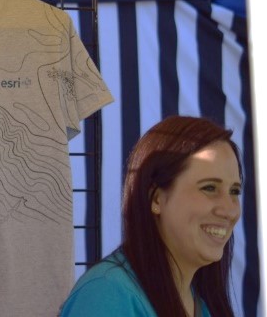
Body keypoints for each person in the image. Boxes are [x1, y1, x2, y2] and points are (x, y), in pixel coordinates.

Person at [59, 115, 242, 317]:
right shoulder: (108, 295)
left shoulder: (201, 304)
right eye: (209, 188)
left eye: (234, 191)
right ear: (156, 199)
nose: (229, 210)